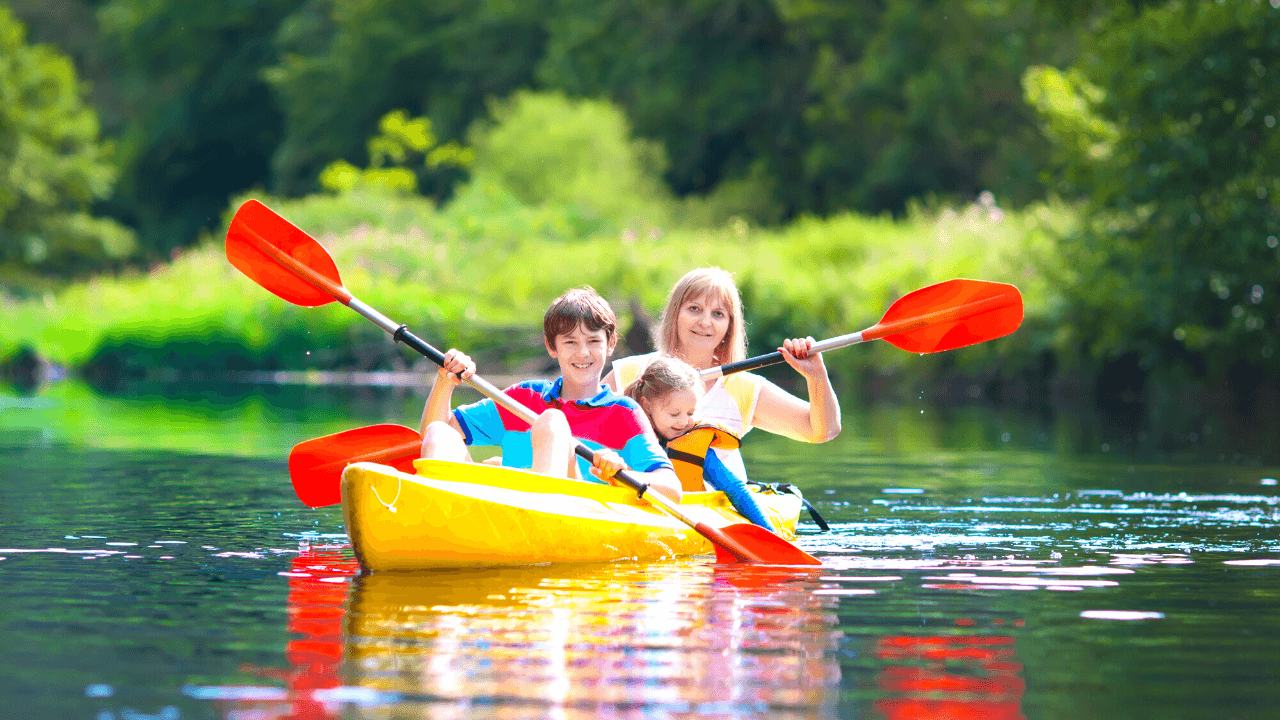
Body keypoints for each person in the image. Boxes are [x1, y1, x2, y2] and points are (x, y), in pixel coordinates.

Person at [419, 287, 682, 502]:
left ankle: (537, 511)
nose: (583, 353)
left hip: (570, 517)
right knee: (440, 433)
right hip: (503, 516)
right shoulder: (523, 397)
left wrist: (625, 473)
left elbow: (672, 489)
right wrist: (445, 381)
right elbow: (435, 434)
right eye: (570, 342)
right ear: (551, 346)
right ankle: (438, 518)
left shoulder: (624, 413)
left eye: (593, 341)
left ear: (610, 344)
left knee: (552, 422)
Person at [605, 267, 841, 445]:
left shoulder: (743, 389)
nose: (705, 322)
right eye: (694, 309)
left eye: (718, 314)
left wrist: (817, 375)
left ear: (729, 326)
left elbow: (822, 431)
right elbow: (575, 421)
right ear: (675, 314)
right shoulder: (629, 373)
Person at [623, 354, 778, 531]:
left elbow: (735, 489)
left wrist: (770, 533)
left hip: (683, 520)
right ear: (647, 405)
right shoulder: (627, 437)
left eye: (690, 413)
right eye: (674, 414)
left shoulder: (697, 447)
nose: (683, 422)